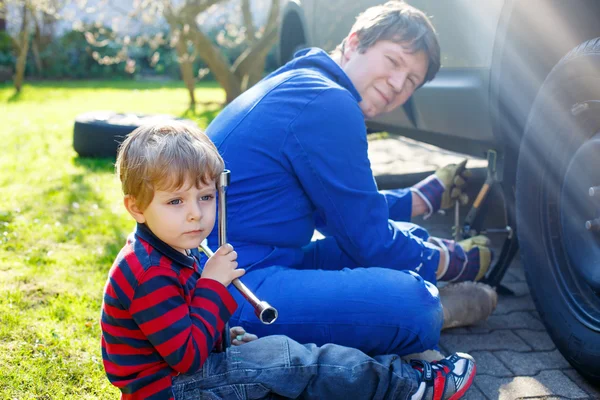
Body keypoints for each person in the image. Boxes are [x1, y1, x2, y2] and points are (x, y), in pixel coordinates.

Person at [100, 121, 477, 399]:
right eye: (175, 202)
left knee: (279, 358)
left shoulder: (171, 247)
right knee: (294, 360)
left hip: (182, 378)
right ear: (136, 208)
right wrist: (213, 286)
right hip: (172, 390)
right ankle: (410, 387)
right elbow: (184, 356)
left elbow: (182, 326)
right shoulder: (147, 272)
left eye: (206, 197)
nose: (196, 214)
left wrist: (225, 338)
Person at [205, 0, 497, 357]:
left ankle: (413, 294)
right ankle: (434, 311)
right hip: (227, 291)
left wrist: (418, 226)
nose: (396, 85)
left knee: (410, 237)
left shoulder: (303, 81)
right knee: (412, 304)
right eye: (393, 62)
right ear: (356, 41)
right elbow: (368, 239)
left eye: (411, 81)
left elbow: (346, 208)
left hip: (256, 262)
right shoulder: (330, 102)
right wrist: (450, 261)